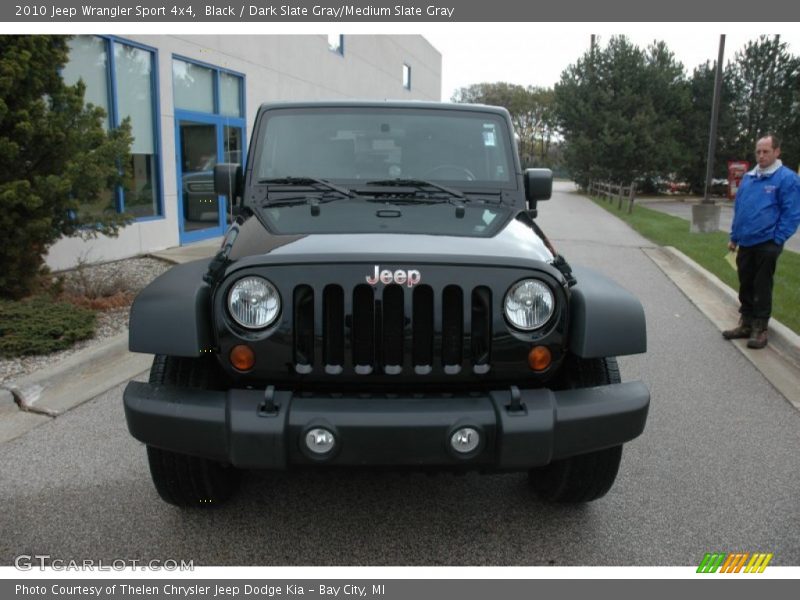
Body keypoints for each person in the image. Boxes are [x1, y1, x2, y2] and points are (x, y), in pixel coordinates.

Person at [723, 134, 800, 348]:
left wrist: (777, 239)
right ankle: (746, 323)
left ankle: (760, 328)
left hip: (768, 243)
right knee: (745, 283)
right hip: (745, 241)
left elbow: (792, 213)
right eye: (758, 151)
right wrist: (734, 237)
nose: (761, 155)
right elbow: (741, 209)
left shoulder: (787, 178)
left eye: (766, 151)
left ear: (777, 152)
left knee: (761, 285)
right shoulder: (749, 178)